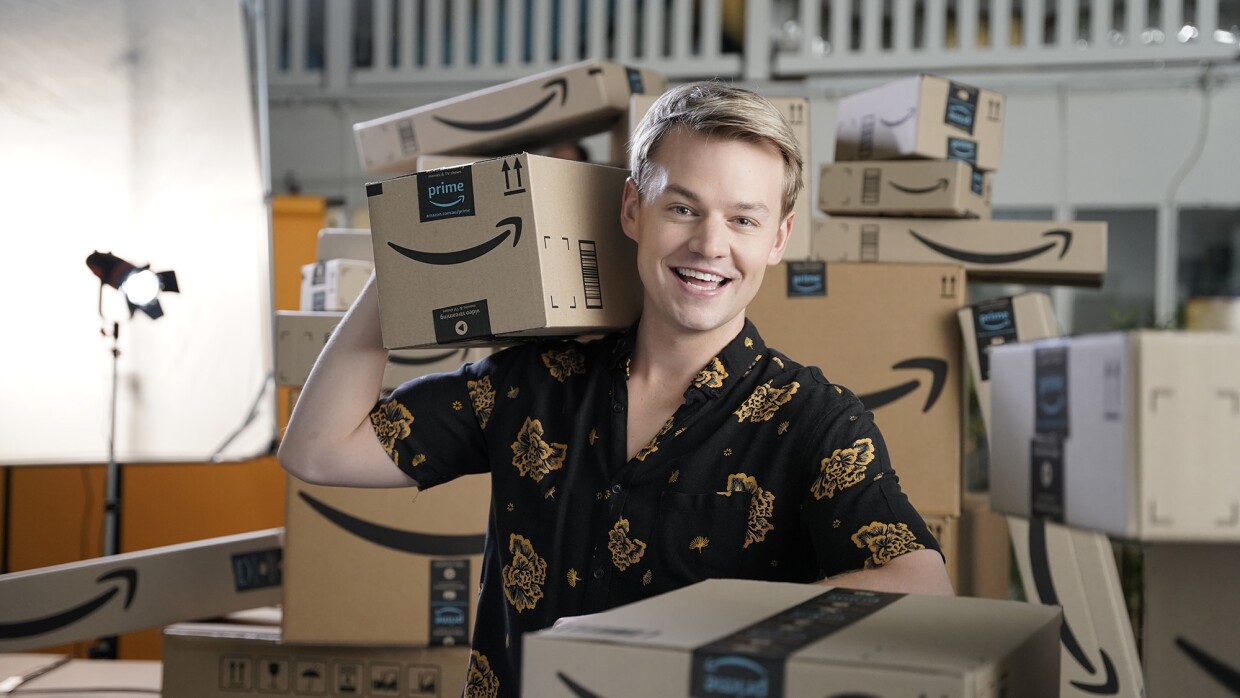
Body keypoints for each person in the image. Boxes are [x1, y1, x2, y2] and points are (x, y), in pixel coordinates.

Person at [279, 81, 953, 697]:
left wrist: (689, 628)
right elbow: (318, 450)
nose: (709, 245)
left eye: (743, 220)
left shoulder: (812, 420)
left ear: (778, 239)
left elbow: (922, 588)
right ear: (633, 208)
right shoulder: (534, 385)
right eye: (682, 208)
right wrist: (412, 252)